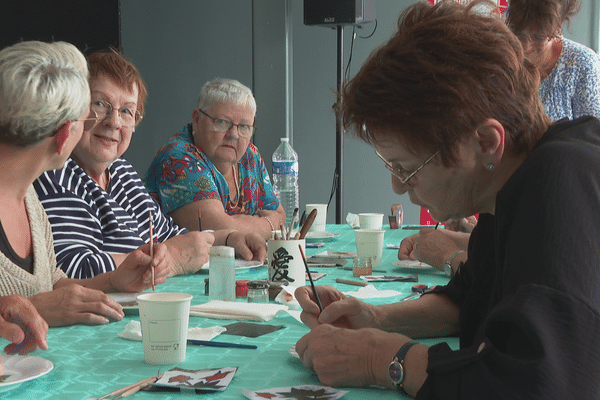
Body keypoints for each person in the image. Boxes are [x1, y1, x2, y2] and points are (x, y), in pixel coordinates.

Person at [294, 1, 600, 398]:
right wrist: (375, 318)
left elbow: (537, 385)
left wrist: (383, 358)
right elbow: (467, 303)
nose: (397, 187)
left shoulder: (563, 181)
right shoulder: (507, 187)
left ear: (487, 143)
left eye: (406, 167)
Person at [34, 49, 267, 280]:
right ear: (77, 109)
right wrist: (171, 259)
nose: (114, 122)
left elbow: (171, 236)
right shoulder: (56, 174)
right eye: (101, 104)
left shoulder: (121, 172)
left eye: (126, 111)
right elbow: (72, 269)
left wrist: (228, 240)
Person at [0, 41, 169, 327]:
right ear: (66, 135)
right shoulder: (44, 188)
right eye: (90, 113)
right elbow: (38, 301)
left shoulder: (29, 199)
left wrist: (113, 280)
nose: (112, 122)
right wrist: (31, 308)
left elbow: (52, 282)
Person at [144, 78, 286, 239]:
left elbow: (280, 215)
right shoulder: (178, 158)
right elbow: (217, 229)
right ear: (197, 120)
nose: (233, 135)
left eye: (244, 127)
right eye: (222, 122)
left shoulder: (249, 155)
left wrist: (241, 223)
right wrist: (269, 224)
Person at [506, 0, 600, 121]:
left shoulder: (583, 64)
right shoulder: (503, 55)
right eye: (518, 34)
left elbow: (594, 135)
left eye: (538, 37)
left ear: (557, 30)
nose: (525, 46)